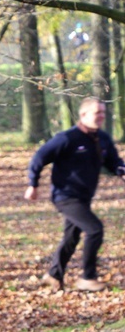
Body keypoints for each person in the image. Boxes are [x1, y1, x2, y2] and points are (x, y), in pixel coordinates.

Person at [25, 97, 125, 292]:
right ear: (84, 115)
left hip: (84, 196)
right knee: (95, 229)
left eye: (103, 113)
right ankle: (88, 277)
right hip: (65, 196)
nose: (101, 117)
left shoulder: (102, 138)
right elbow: (39, 157)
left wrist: (122, 170)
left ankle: (54, 275)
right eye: (97, 113)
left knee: (71, 237)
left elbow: (114, 161)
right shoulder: (68, 138)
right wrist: (33, 184)